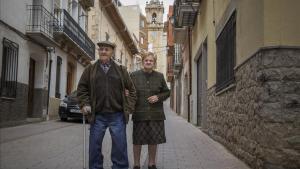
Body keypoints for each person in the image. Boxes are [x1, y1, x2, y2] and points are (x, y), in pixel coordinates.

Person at [77, 40, 137, 169]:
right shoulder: (90, 69)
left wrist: (129, 107)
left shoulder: (121, 69)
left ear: (112, 52)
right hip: (97, 115)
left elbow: (132, 90)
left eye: (106, 49)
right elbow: (82, 89)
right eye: (101, 49)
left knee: (120, 146)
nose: (103, 51)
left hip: (117, 115)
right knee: (94, 146)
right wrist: (84, 103)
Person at [130, 52, 170, 169]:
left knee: (153, 140)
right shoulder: (134, 75)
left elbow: (167, 92)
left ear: (154, 63)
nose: (148, 62)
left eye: (151, 61)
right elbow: (128, 91)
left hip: (155, 114)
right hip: (139, 114)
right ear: (143, 62)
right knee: (137, 140)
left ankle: (151, 163)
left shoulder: (160, 76)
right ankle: (136, 164)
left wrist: (158, 97)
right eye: (146, 60)